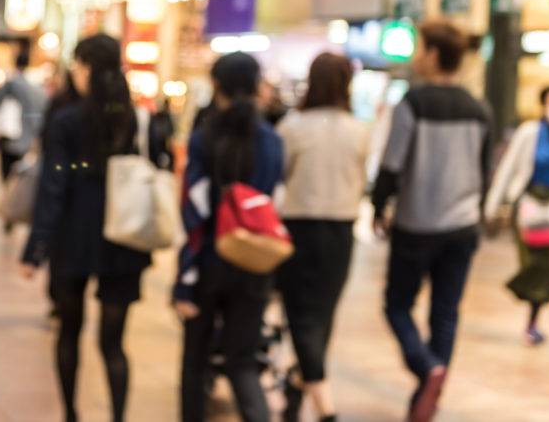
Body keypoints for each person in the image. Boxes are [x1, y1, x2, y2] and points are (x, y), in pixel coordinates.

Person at [20, 34, 150, 422]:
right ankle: (118, 416)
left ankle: (71, 414)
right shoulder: (136, 119)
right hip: (124, 237)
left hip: (73, 237)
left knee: (69, 333)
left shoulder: (65, 121)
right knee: (114, 344)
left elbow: (53, 186)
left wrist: (35, 248)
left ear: (87, 67)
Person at [371, 21, 492, 422]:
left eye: (419, 49)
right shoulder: (480, 109)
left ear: (435, 55)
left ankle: (426, 368)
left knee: (396, 306)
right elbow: (484, 171)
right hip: (462, 225)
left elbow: (391, 163)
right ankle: (432, 390)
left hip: (417, 224)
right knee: (446, 312)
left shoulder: (414, 103)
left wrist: (378, 206)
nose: (415, 57)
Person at [176, 52, 285, 422]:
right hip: (255, 261)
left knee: (194, 363)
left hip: (210, 261)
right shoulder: (271, 140)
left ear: (217, 86)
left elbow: (194, 212)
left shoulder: (204, 137)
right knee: (242, 362)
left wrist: (184, 279)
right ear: (256, 87)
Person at [275, 52, 370, 422]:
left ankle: (319, 404)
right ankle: (309, 397)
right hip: (340, 232)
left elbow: (280, 176)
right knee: (323, 315)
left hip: (299, 228)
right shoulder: (359, 130)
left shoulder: (293, 126)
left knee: (300, 314)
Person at [484, 86, 549, 345]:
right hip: (530, 208)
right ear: (543, 105)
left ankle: (533, 317)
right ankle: (526, 295)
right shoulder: (529, 133)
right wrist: (493, 206)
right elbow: (508, 169)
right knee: (532, 263)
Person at [0, 48, 47, 183]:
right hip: (26, 140)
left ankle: (8, 201)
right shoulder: (36, 88)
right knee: (20, 177)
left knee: (6, 176)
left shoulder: (10, 84)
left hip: (8, 137)